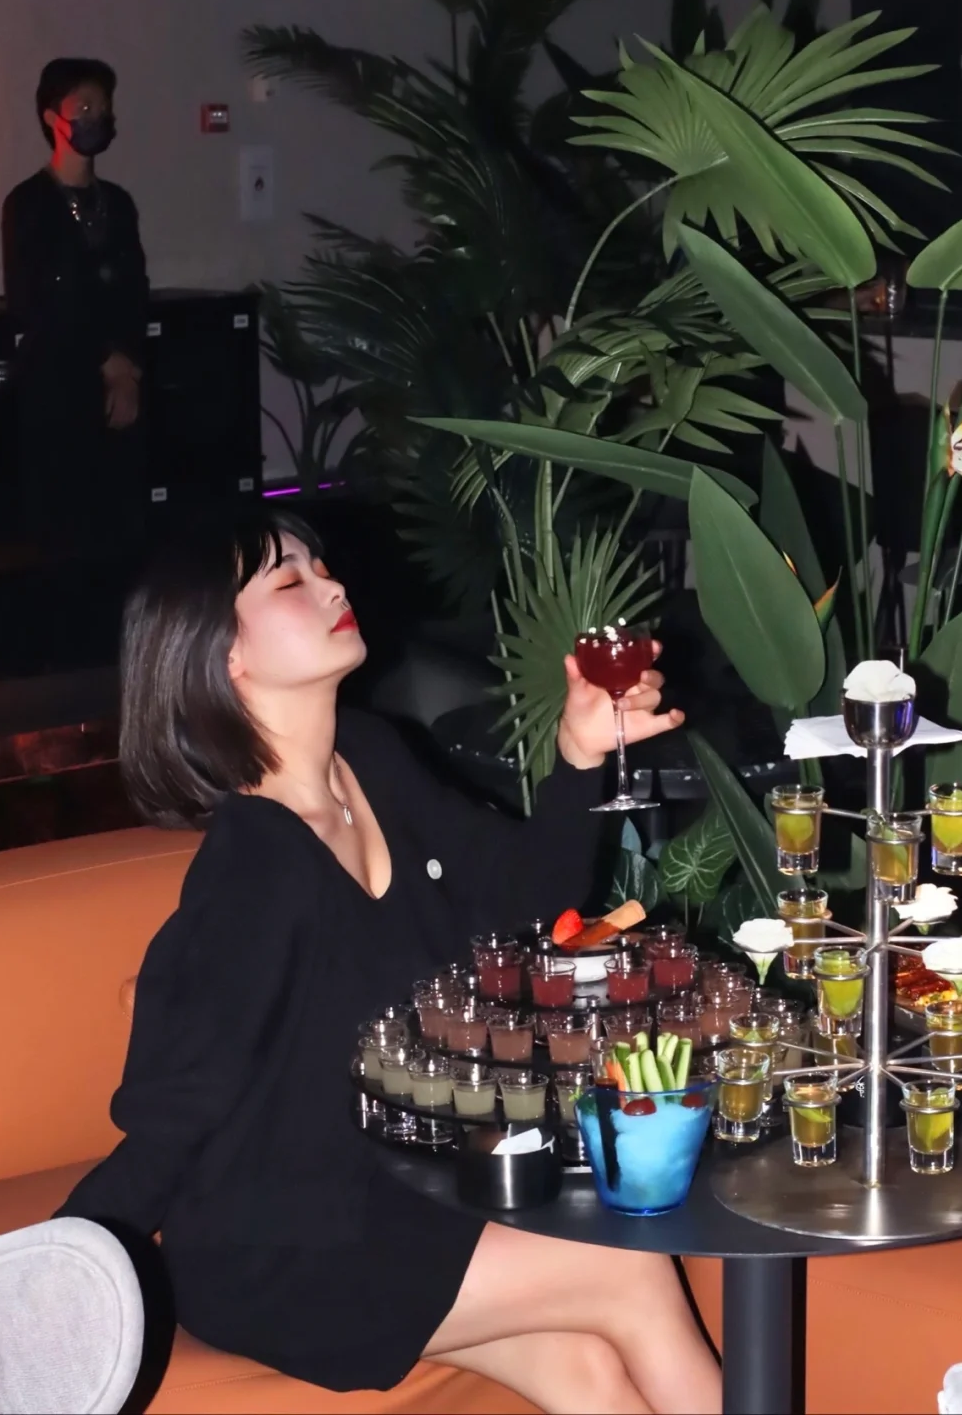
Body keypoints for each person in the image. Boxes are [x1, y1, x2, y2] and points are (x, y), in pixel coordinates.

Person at [59, 507, 720, 1415]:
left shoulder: (371, 760)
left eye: (320, 565)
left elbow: (519, 911)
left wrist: (577, 757)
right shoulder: (253, 864)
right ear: (226, 656)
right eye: (290, 580)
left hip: (397, 1196)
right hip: (279, 1252)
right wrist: (41, 1287)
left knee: (590, 1372)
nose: (331, 583)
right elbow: (176, 1111)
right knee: (623, 1268)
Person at [1, 58, 148, 663]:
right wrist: (104, 358)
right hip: (57, 392)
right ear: (52, 117)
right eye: (83, 107)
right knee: (63, 541)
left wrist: (128, 364)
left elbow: (134, 289)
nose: (97, 118)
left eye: (102, 107)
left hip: (118, 393)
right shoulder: (28, 204)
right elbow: (35, 301)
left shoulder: (119, 203)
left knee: (121, 535)